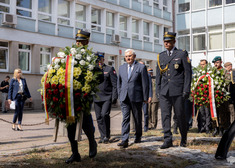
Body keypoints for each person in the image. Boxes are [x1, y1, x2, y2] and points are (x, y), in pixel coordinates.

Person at [65, 29, 103, 164]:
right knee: (70, 126)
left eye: (81, 41)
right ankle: (75, 153)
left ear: (87, 42)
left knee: (86, 123)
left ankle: (92, 143)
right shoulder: (68, 56)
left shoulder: (92, 57)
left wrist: (90, 82)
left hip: (84, 97)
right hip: (70, 98)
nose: (78, 43)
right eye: (77, 41)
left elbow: (100, 77)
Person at [156, 32, 192, 149]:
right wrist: (158, 90)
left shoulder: (181, 54)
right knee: (165, 115)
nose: (166, 43)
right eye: (165, 41)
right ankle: (167, 139)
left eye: (169, 41)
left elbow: (187, 73)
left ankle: (183, 138)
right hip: (164, 91)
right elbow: (158, 75)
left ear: (174, 42)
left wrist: (186, 89)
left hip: (178, 91)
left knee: (180, 115)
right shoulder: (161, 56)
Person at [117, 49, 149, 148]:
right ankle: (125, 139)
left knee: (137, 118)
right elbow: (119, 83)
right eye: (126, 56)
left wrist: (145, 97)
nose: (128, 58)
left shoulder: (141, 67)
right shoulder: (121, 68)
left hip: (136, 97)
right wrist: (119, 95)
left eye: (130, 56)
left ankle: (138, 136)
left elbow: (145, 83)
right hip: (124, 97)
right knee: (125, 118)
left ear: (134, 56)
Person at [93, 51, 118, 144]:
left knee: (104, 115)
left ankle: (107, 135)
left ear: (103, 59)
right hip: (97, 97)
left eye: (100, 59)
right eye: (97, 60)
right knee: (99, 117)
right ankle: (102, 135)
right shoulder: (93, 70)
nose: (98, 61)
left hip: (107, 96)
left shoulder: (109, 69)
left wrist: (114, 97)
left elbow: (115, 84)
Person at [212, 56, 231, 136]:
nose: (216, 64)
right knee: (214, 113)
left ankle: (223, 128)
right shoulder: (212, 71)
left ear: (221, 62)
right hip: (213, 96)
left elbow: (227, 81)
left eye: (217, 62)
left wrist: (221, 86)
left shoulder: (224, 71)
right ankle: (215, 128)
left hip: (222, 96)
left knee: (223, 113)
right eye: (214, 63)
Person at [198, 59, 211, 134]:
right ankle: (202, 126)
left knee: (207, 113)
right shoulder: (198, 74)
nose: (202, 66)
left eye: (203, 64)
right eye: (201, 64)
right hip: (200, 97)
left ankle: (207, 127)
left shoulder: (209, 73)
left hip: (207, 96)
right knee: (201, 112)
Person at [139, 61, 152, 132]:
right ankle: (138, 126)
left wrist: (150, 96)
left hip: (145, 97)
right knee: (138, 113)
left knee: (145, 113)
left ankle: (146, 126)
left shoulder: (148, 75)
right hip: (138, 97)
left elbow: (150, 86)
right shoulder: (136, 74)